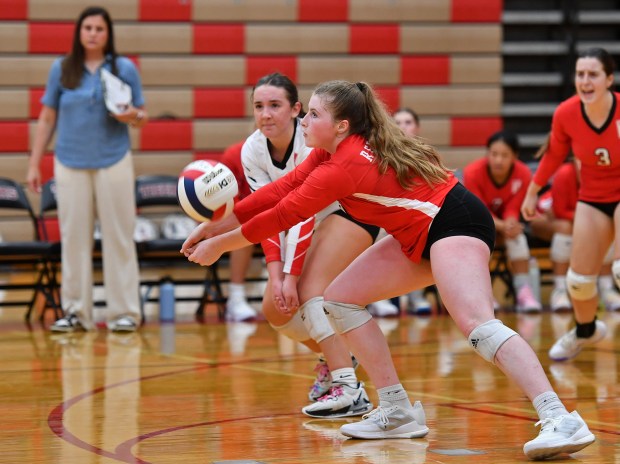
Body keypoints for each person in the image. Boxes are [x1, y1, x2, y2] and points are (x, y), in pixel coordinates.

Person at [182, 79, 595, 460]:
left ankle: (559, 417)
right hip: (417, 232)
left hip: (455, 221)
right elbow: (276, 192)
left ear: (341, 125)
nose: (304, 120)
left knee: (477, 324)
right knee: (341, 298)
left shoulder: (341, 167)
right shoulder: (329, 154)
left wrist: (217, 245)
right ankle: (396, 409)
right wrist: (214, 223)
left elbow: (281, 216)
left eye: (312, 115)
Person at [240, 72, 383, 418]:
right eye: (259, 106)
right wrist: (276, 276)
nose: (266, 114)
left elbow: (301, 214)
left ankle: (347, 386)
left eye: (275, 105)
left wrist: (290, 277)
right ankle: (333, 355)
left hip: (348, 213)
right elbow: (267, 216)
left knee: (306, 289)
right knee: (276, 309)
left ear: (295, 110)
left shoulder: (309, 140)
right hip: (299, 222)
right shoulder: (252, 150)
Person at [27, 6, 148, 333]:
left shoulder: (124, 68)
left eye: (99, 28)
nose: (93, 33)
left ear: (108, 34)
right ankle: (76, 312)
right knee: (74, 239)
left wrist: (130, 116)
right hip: (70, 163)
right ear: (79, 32)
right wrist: (34, 163)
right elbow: (48, 117)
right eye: (88, 28)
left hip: (114, 160)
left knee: (119, 237)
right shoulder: (62, 69)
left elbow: (142, 116)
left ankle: (124, 313)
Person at [521, 47, 619, 361]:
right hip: (593, 197)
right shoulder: (566, 113)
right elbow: (553, 155)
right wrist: (532, 192)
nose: (586, 81)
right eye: (580, 74)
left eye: (593, 74)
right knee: (578, 282)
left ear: (609, 79)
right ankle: (586, 329)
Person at [529, 153, 620, 313]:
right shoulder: (565, 173)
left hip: (578, 221)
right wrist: (592, 218)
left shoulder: (605, 178)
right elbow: (560, 211)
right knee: (566, 228)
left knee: (608, 225)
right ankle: (560, 290)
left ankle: (607, 288)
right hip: (545, 217)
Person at [463, 130, 543, 312]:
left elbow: (514, 207)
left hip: (503, 227)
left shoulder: (523, 173)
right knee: (480, 242)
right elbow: (479, 210)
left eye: (505, 155)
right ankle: (483, 297)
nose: (498, 160)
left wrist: (511, 224)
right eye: (494, 154)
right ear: (487, 154)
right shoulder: (472, 172)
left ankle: (524, 293)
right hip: (478, 224)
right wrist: (502, 226)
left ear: (515, 156)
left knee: (518, 239)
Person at [392, 107, 433, 315]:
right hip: (389, 217)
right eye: (397, 122)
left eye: (408, 122)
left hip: (417, 214)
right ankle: (382, 298)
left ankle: (417, 296)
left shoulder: (427, 155)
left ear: (417, 127)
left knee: (425, 231)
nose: (402, 127)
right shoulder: (383, 153)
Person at [219, 141, 260, 322]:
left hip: (279, 219)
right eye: (259, 109)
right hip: (243, 221)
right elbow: (226, 205)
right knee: (242, 228)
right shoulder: (234, 154)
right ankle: (236, 298)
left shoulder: (298, 154)